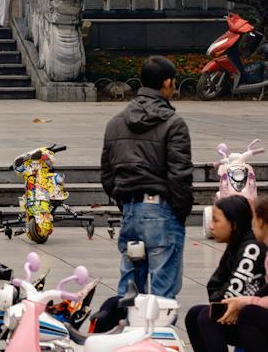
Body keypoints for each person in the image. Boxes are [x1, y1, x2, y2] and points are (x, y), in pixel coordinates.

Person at [101, 54, 193, 306]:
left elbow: (107, 174)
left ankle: (128, 340)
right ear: (167, 83)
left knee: (129, 290)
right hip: (162, 212)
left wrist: (126, 202)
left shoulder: (115, 123)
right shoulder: (174, 124)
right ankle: (157, 342)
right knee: (162, 295)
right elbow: (180, 174)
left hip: (131, 212)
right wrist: (180, 211)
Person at [181, 194, 265, 351]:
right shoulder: (236, 244)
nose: (211, 226)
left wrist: (219, 301)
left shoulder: (252, 247)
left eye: (216, 220)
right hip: (248, 310)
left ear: (234, 224)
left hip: (255, 316)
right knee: (194, 314)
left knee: (208, 317)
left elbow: (231, 293)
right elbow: (215, 284)